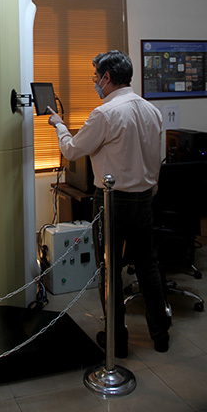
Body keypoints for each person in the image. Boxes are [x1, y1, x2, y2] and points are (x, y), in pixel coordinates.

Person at [47, 50, 170, 356]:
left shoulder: (105, 113)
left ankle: (117, 340)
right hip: (145, 198)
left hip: (113, 201)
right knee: (148, 265)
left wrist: (59, 125)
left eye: (95, 77)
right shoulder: (151, 110)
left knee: (109, 268)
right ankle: (160, 334)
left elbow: (73, 151)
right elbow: (156, 158)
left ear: (107, 77)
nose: (94, 83)